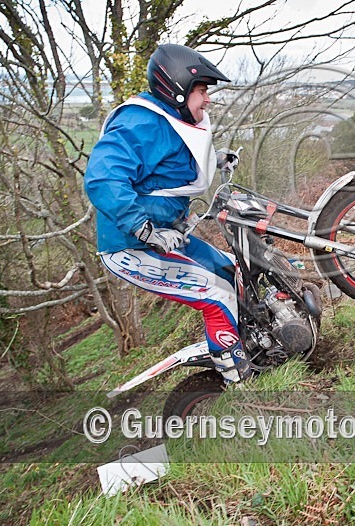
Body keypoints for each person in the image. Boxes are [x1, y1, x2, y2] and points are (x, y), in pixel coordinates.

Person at [84, 44, 252, 384]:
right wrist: (144, 230)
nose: (207, 100)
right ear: (177, 88)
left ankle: (251, 344)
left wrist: (215, 158)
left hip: (166, 235)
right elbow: (104, 176)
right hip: (130, 246)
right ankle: (240, 384)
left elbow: (169, 164)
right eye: (202, 90)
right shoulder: (141, 122)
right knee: (216, 295)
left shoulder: (170, 119)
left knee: (232, 271)